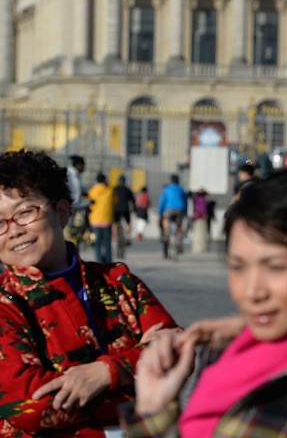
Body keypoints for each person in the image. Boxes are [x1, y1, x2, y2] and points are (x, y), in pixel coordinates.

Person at [121, 170, 287, 438]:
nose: (252, 292)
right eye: (238, 267)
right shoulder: (220, 355)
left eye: (275, 267)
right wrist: (153, 409)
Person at [0, 149, 177, 437]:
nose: (14, 230)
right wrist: (138, 377)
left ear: (61, 211)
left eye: (25, 212)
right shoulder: (5, 306)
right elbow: (28, 406)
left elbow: (177, 347)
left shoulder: (118, 282)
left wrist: (106, 373)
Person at [157, 175, 188, 260]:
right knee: (179, 226)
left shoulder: (167, 189)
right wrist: (185, 212)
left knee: (166, 222)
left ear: (171, 181)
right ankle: (180, 242)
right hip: (180, 209)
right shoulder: (181, 189)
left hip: (169, 209)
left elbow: (162, 202)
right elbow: (185, 201)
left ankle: (166, 234)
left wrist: (160, 213)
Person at [87, 172, 115, 263]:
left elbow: (88, 203)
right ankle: (108, 261)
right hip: (107, 219)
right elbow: (115, 200)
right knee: (107, 243)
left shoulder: (92, 190)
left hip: (95, 220)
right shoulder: (109, 190)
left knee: (97, 243)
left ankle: (99, 261)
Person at [112, 174, 136, 257]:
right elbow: (132, 201)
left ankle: (114, 241)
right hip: (125, 209)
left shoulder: (114, 189)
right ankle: (127, 237)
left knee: (114, 225)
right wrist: (134, 209)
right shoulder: (128, 190)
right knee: (128, 222)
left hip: (116, 210)